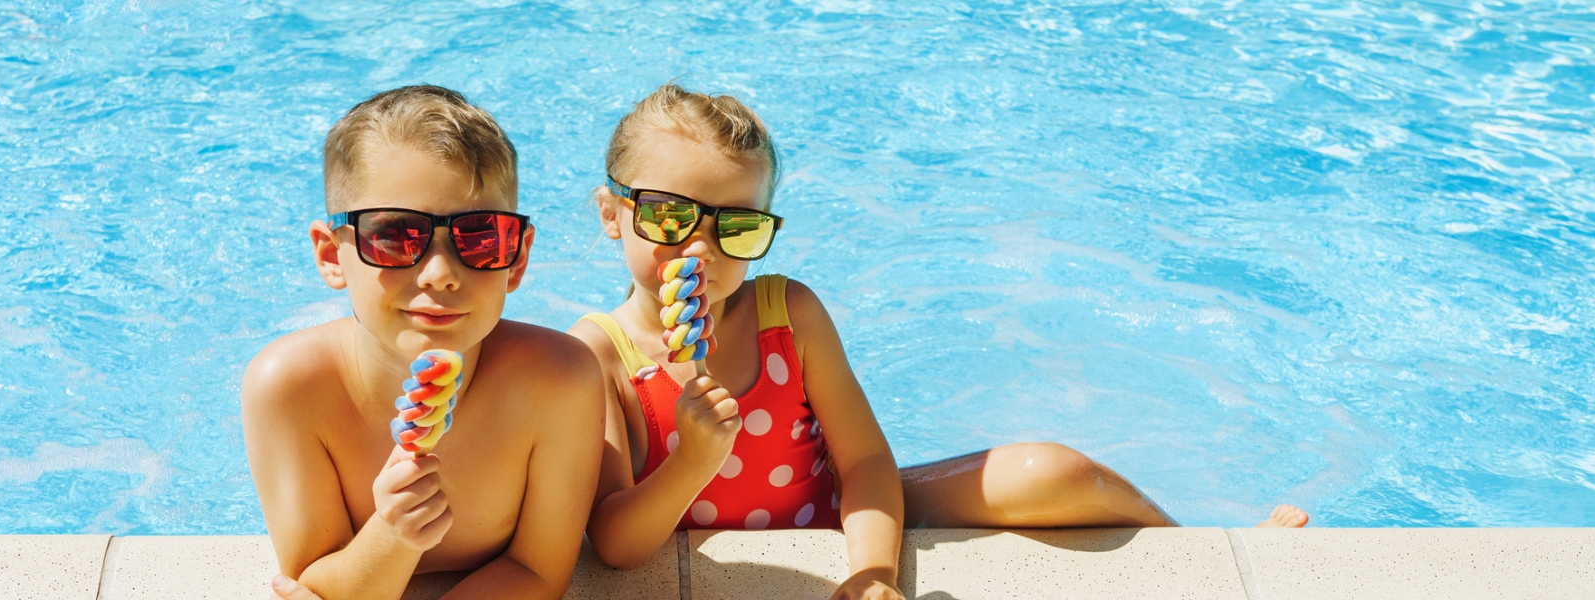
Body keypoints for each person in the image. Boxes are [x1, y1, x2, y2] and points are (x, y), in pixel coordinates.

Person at [569, 84, 1308, 600]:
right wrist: (692, 462)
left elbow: (862, 462)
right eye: (669, 217)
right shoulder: (599, 355)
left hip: (836, 509)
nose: (700, 247)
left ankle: (1206, 545)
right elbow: (616, 543)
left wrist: (871, 569)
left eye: (735, 226)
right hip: (691, 533)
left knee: (1054, 470)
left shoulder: (785, 313)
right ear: (611, 214)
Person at [243, 85, 605, 600]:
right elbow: (312, 581)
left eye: (481, 237)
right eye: (394, 236)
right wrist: (390, 539)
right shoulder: (289, 390)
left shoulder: (559, 380)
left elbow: (538, 572)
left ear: (518, 258)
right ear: (330, 255)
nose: (439, 273)